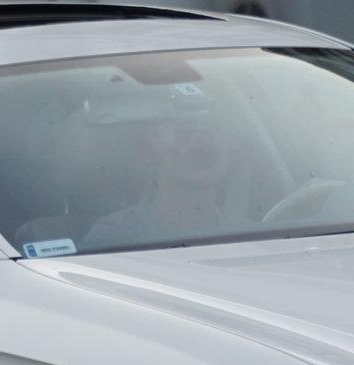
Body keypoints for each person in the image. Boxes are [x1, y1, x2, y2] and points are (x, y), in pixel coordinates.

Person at [81, 95, 245, 250]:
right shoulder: (113, 237)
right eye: (184, 131)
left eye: (216, 129)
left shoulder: (248, 235)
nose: (202, 142)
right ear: (149, 151)